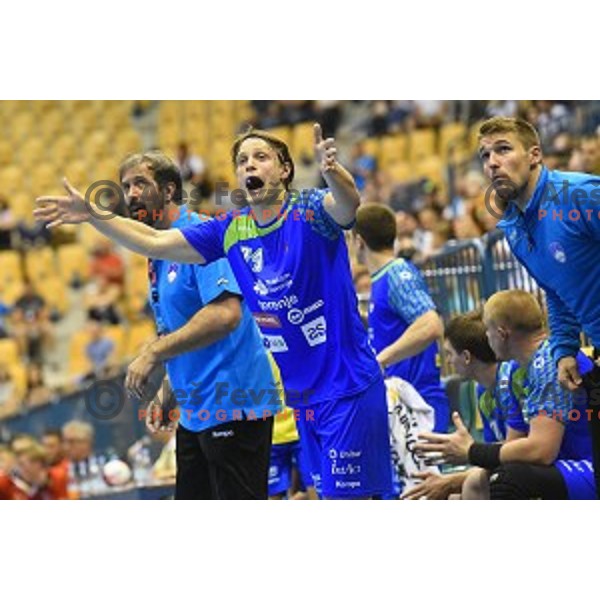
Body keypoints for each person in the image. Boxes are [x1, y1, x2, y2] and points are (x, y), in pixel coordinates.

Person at [34, 124, 393, 499]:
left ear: (285, 170)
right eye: (242, 160)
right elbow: (155, 241)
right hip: (301, 399)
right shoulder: (230, 230)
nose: (249, 165)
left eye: (261, 157)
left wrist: (333, 171)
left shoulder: (310, 210)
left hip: (346, 386)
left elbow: (348, 205)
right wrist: (93, 215)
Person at [120, 150, 283, 500]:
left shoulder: (201, 234)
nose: (131, 194)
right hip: (196, 412)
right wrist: (171, 386)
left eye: (140, 184)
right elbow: (183, 324)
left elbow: (225, 315)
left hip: (234, 403)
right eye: (125, 186)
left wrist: (154, 351)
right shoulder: (160, 251)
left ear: (167, 191)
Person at [477, 116, 600, 496]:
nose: (492, 162)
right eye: (485, 155)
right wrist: (564, 348)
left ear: (534, 155)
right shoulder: (513, 227)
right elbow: (556, 289)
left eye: (503, 149)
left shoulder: (580, 195)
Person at [416, 291, 596, 500]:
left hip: (588, 465)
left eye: (487, 330)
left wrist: (471, 452)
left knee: (506, 480)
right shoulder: (519, 372)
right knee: (479, 482)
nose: (486, 338)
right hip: (568, 463)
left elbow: (541, 450)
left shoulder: (547, 362)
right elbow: (514, 448)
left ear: (501, 333)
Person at [402, 310, 528, 500]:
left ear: (467, 357)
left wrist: (452, 478)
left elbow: (514, 453)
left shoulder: (511, 379)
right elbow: (493, 458)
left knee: (469, 489)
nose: (448, 361)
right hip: (513, 471)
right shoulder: (482, 392)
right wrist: (447, 480)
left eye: (449, 354)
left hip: (544, 469)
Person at [354, 203, 449, 432]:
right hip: (402, 404)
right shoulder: (380, 279)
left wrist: (381, 359)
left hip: (419, 404)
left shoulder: (397, 273)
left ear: (358, 241)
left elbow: (431, 325)